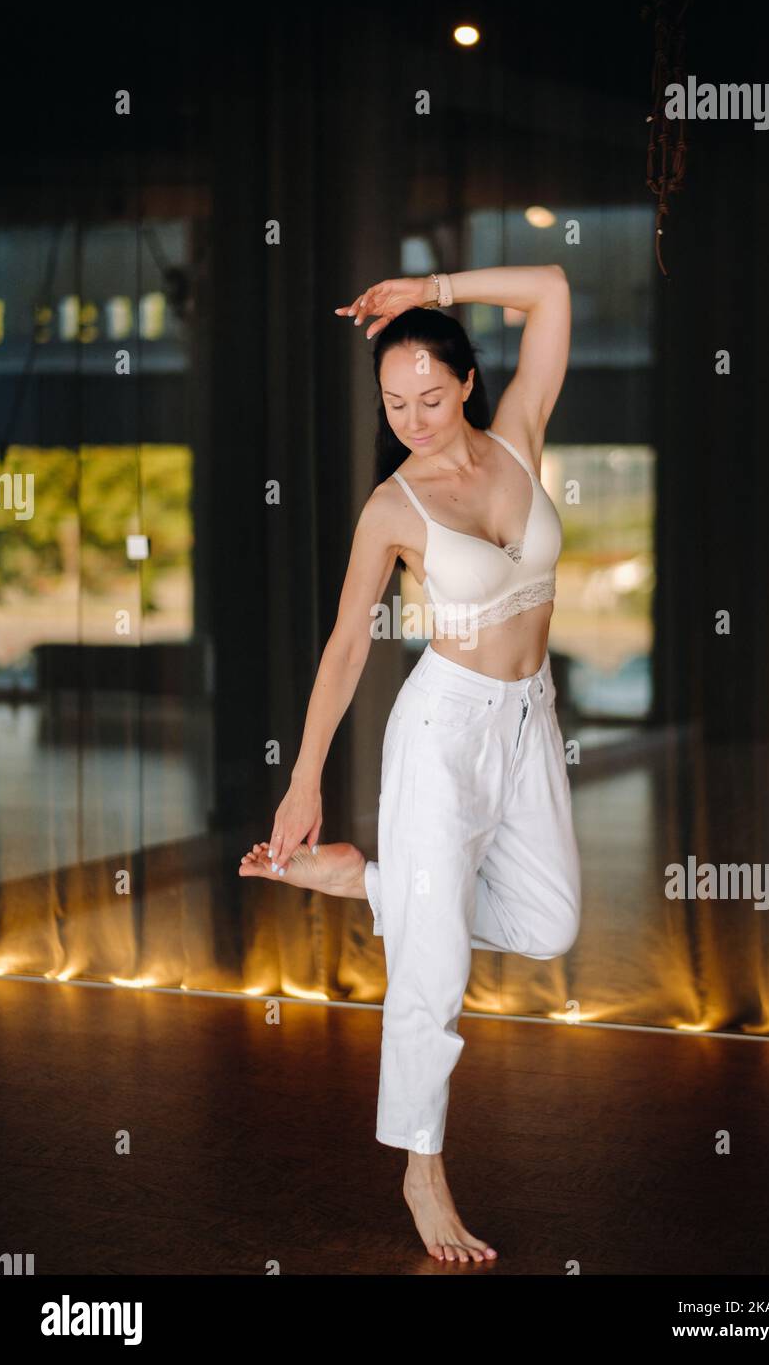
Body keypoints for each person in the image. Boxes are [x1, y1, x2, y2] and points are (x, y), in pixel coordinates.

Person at [239, 265, 582, 1264]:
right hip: (440, 731)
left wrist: (426, 285)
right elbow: (346, 647)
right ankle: (419, 1166)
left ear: (467, 382)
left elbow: (552, 291)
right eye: (394, 404)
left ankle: (366, 882)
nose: (414, 418)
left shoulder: (520, 432)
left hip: (527, 717)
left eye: (429, 396)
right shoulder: (393, 506)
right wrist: (303, 778)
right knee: (431, 970)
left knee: (548, 921)